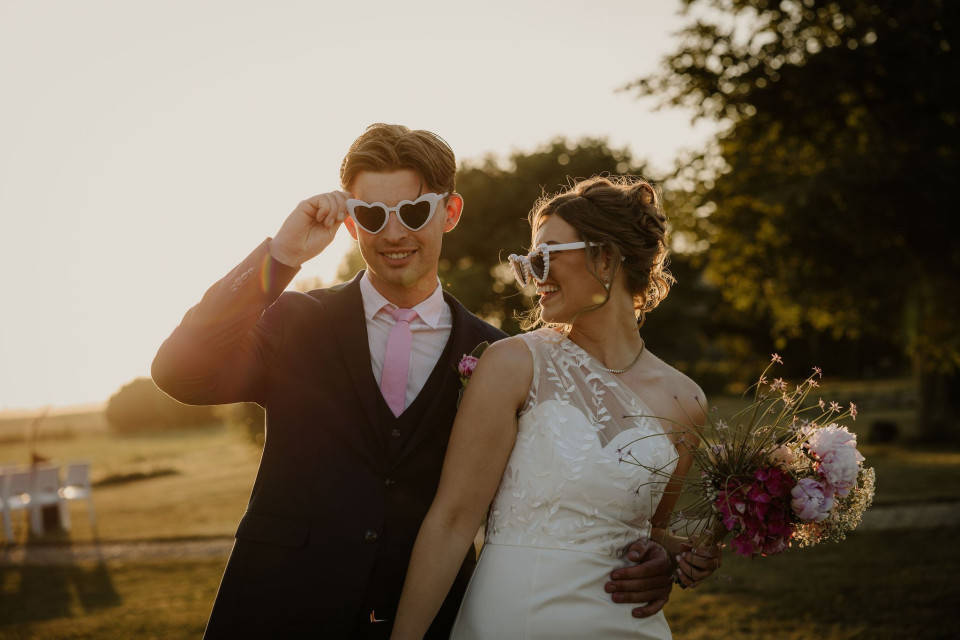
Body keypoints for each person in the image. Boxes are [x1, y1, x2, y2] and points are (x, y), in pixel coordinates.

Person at [151, 125, 678, 639]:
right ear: (352, 223)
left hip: (431, 620)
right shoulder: (295, 320)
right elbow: (182, 373)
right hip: (278, 610)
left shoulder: (498, 353)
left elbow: (552, 488)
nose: (393, 233)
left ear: (450, 212)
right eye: (372, 215)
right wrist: (281, 257)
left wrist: (652, 551)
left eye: (413, 211)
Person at [391, 175, 722, 639]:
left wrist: (680, 554)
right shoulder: (514, 364)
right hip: (513, 621)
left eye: (545, 257)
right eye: (527, 262)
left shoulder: (685, 401)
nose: (534, 276)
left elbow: (648, 531)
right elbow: (452, 521)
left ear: (605, 257)